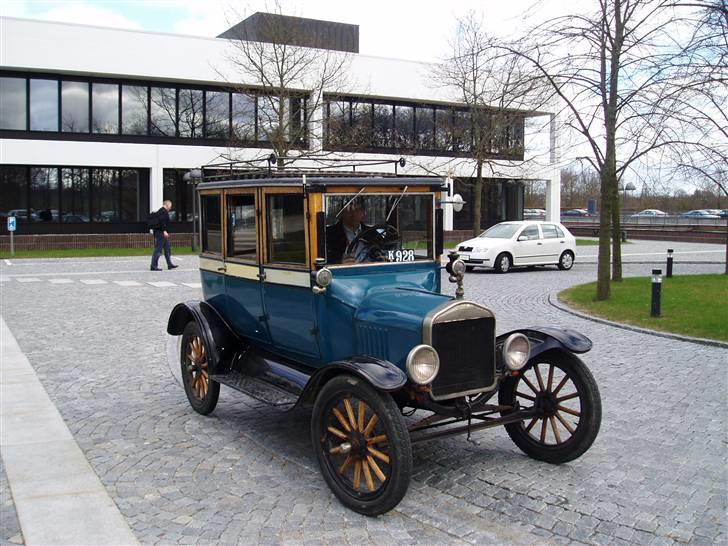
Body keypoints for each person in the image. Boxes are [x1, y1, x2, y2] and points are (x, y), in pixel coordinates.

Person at [326, 198, 371, 264]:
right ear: (342, 212)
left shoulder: (372, 233)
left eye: (357, 210)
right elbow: (321, 260)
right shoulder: (329, 234)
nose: (353, 214)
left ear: (363, 213)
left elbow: (381, 253)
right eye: (349, 210)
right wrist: (339, 263)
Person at [150, 200, 178, 271]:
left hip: (160, 233)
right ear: (167, 204)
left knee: (167, 249)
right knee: (158, 249)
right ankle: (153, 266)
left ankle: (170, 264)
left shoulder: (161, 211)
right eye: (170, 206)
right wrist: (164, 231)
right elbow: (162, 222)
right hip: (161, 233)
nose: (170, 208)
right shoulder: (163, 211)